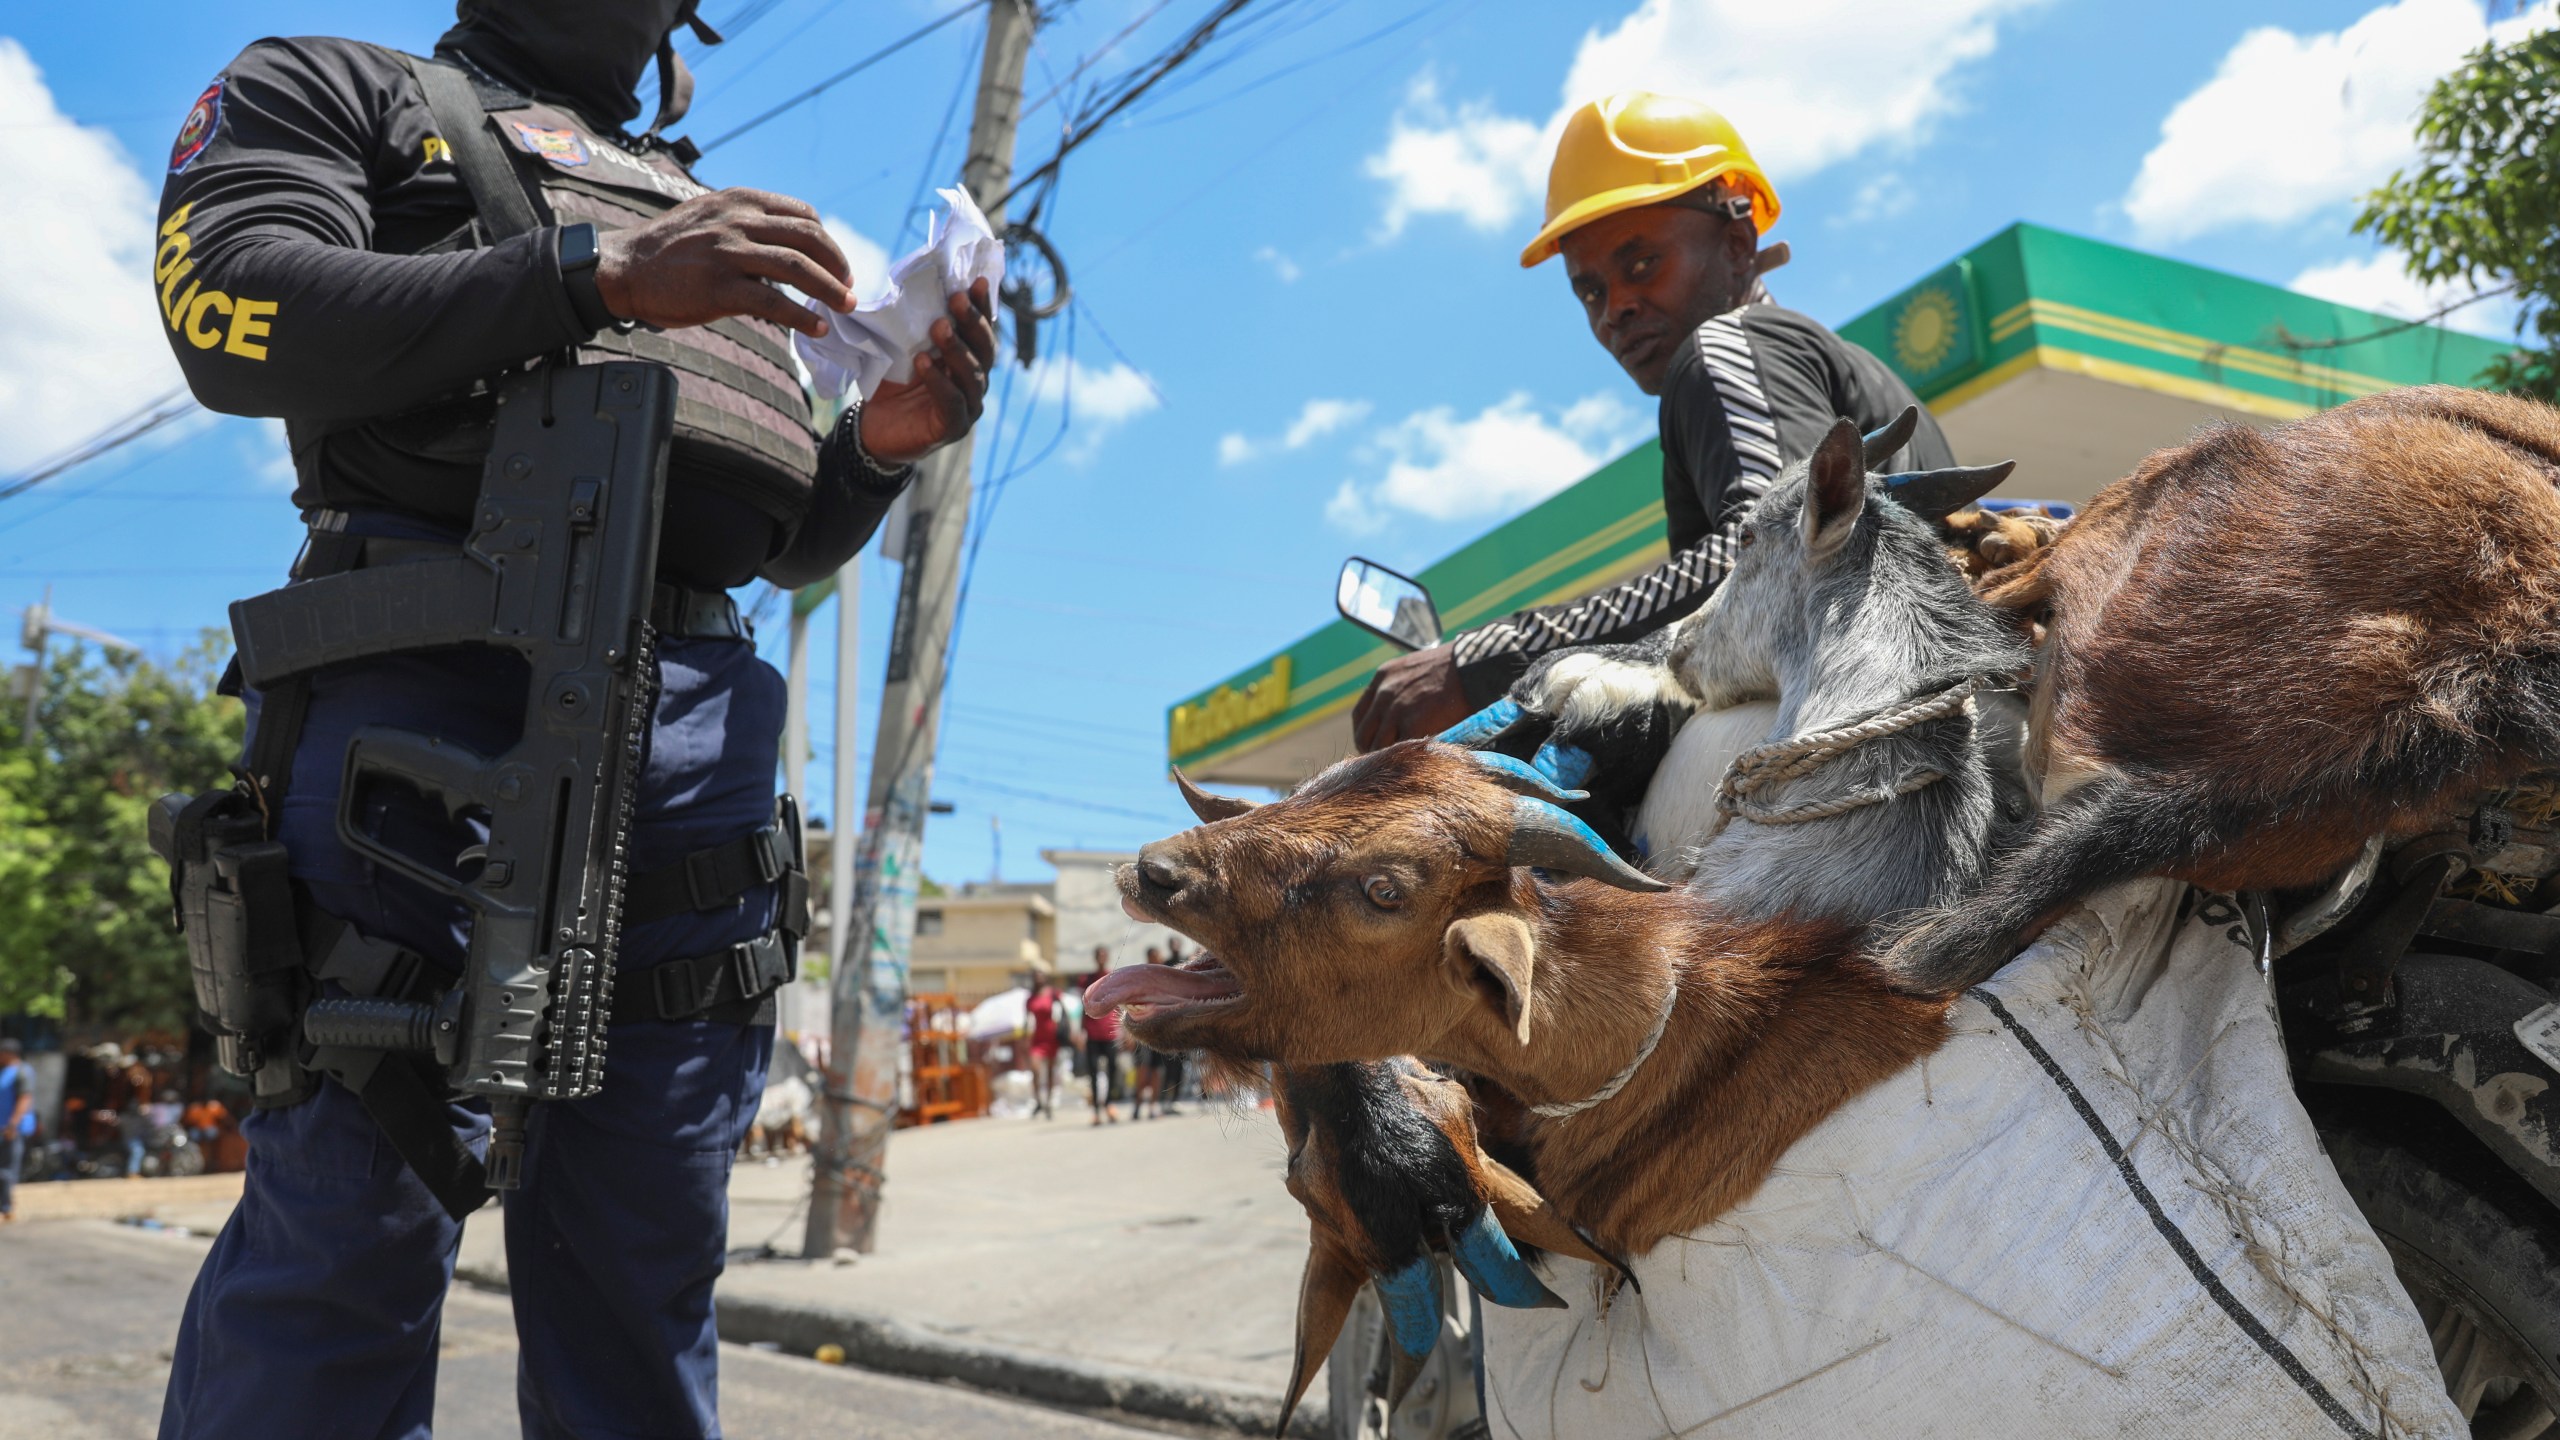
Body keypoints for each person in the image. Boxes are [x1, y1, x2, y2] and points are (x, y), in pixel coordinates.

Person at [149, 5, 993, 1437]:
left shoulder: (689, 196)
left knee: (647, 1274)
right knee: (347, 1245)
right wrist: (589, 273)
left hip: (694, 756)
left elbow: (765, 535)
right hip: (416, 707)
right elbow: (228, 315)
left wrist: (871, 452)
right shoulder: (335, 83)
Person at [1352, 92, 1957, 747]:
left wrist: (1479, 662)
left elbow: (1764, 553)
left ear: (1735, 246)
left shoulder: (1728, 344)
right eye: (1591, 291)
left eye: (1641, 265)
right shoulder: (1836, 361)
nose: (1617, 308)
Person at [1079, 947, 1121, 1126]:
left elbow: (1119, 1003)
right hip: (1092, 1033)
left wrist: (1124, 1029)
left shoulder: (1112, 977)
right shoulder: (1087, 979)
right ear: (1096, 958)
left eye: (1104, 955)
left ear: (1107, 957)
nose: (1102, 958)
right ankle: (1096, 1110)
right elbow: (1082, 1006)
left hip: (1110, 1032)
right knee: (1094, 1072)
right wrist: (1080, 1030)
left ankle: (1109, 1104)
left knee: (1113, 1069)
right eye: (1099, 955)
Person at [1130, 947, 1166, 1120]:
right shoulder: (1142, 977)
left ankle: (1153, 1105)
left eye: (1159, 955)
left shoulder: (1166, 976)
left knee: (1157, 1071)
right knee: (1143, 1071)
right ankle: (1137, 1105)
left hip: (1161, 1030)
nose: (1158, 958)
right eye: (1155, 955)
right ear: (1149, 957)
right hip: (1143, 1030)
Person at [0, 1039, 32, 1223]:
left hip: (11, 1130)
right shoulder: (4, 1071)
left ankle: (7, 1207)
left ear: (9, 1053)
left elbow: (24, 1099)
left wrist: (13, 1125)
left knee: (5, 1171)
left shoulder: (21, 1073)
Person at [1024, 974, 1063, 1121]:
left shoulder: (1053, 994)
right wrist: (1025, 1039)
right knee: (1035, 1069)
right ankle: (1038, 1101)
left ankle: (1048, 1102)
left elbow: (1061, 1013)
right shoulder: (1030, 998)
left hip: (1052, 1037)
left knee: (1050, 1072)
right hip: (1037, 1039)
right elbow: (1026, 1020)